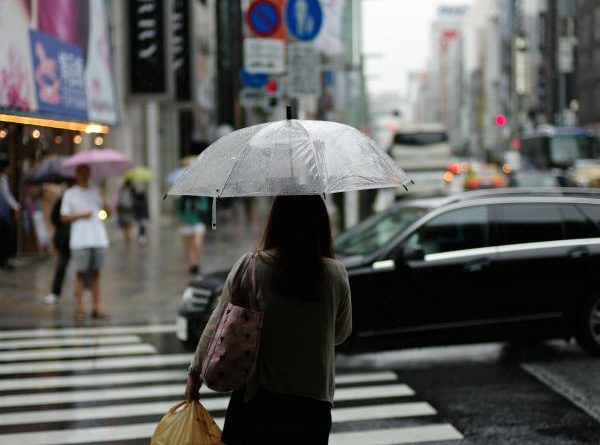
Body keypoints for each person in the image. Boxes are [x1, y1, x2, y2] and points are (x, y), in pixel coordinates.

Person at [184, 195, 353, 445]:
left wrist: (194, 377)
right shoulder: (335, 273)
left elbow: (217, 323)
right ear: (321, 223)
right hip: (311, 406)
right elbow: (340, 333)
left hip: (256, 403)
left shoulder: (251, 266)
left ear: (276, 221)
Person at [60, 164, 110, 323]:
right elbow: (64, 217)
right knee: (80, 273)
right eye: (82, 172)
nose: (85, 175)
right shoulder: (70, 193)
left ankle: (97, 305)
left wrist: (104, 199)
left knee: (96, 273)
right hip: (80, 239)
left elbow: (108, 213)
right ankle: (80, 307)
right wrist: (81, 215)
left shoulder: (96, 191)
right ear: (76, 174)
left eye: (87, 172)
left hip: (98, 237)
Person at [45, 180, 75, 304]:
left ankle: (82, 294)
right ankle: (55, 292)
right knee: (62, 265)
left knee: (83, 268)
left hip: (81, 237)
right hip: (65, 238)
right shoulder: (63, 199)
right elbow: (54, 218)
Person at [176, 195, 210, 274]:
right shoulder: (182, 198)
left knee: (197, 244)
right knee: (189, 247)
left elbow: (205, 209)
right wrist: (181, 219)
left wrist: (197, 205)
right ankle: (193, 265)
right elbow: (179, 210)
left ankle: (198, 262)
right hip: (185, 224)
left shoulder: (201, 197)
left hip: (198, 223)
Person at [0, 160, 20, 271]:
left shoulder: (4, 179)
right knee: (4, 236)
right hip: (2, 213)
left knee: (4, 236)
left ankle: (3, 260)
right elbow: (7, 196)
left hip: (3, 212)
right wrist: (16, 207)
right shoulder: (3, 180)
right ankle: (3, 261)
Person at [116, 179, 136, 245]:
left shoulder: (121, 189)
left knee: (124, 225)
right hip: (130, 210)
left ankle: (125, 237)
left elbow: (117, 200)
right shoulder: (132, 189)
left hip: (122, 210)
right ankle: (128, 236)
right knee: (129, 224)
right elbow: (134, 201)